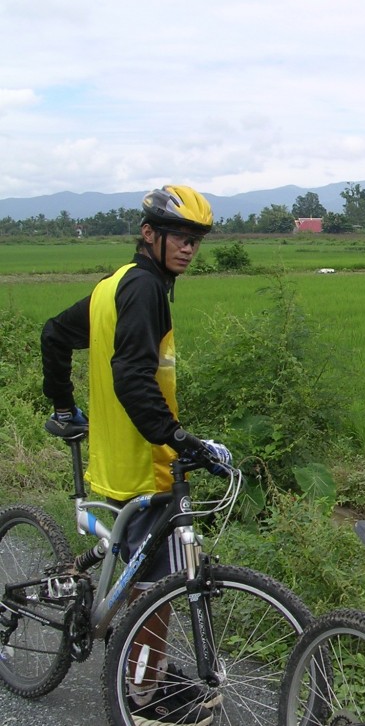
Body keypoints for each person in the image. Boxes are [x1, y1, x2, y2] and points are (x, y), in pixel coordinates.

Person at [41, 184, 230, 726]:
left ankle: (132, 663)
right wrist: (178, 438)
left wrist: (63, 407)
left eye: (196, 239)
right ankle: (142, 699)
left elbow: (54, 334)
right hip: (146, 464)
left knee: (139, 577)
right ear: (149, 234)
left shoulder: (113, 286)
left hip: (116, 459)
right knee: (159, 591)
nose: (189, 248)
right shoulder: (144, 288)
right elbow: (131, 375)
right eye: (179, 236)